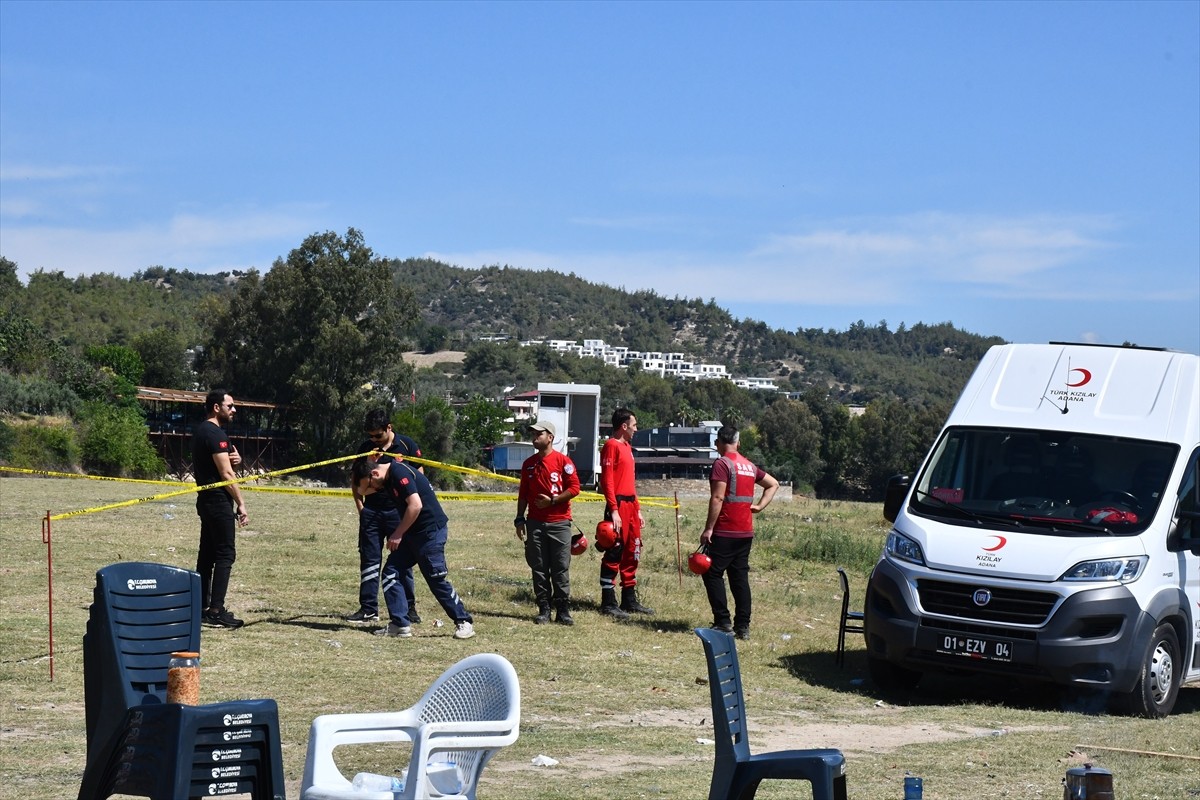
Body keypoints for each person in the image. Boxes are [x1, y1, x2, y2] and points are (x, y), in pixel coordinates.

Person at [351, 458, 475, 640]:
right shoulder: (386, 478)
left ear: (374, 474)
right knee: (391, 573)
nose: (376, 491)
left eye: (373, 488)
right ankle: (399, 624)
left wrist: (398, 533)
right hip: (412, 533)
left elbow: (416, 505)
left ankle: (464, 622)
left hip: (429, 532)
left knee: (435, 577)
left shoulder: (399, 473)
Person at [699, 424, 779, 641]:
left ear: (719, 443)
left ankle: (722, 622)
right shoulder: (749, 466)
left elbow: (717, 498)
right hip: (745, 531)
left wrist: (708, 529)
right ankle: (742, 627)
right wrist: (760, 506)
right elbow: (773, 484)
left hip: (725, 529)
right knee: (739, 577)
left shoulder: (722, 464)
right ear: (738, 443)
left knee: (712, 572)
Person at [345, 409, 423, 625]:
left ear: (389, 428)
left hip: (398, 513)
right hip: (372, 513)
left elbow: (420, 476)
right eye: (370, 436)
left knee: (402, 561)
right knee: (369, 560)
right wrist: (361, 508)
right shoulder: (365, 449)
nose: (373, 440)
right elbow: (355, 481)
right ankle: (368, 608)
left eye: (378, 435)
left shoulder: (407, 445)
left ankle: (409, 608)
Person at [515, 420, 581, 626]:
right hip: (535, 523)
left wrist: (552, 501)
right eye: (533, 434)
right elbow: (523, 494)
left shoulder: (563, 462)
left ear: (550, 437)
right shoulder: (529, 464)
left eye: (539, 434)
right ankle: (544, 608)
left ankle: (563, 610)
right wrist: (519, 518)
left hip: (559, 523)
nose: (534, 437)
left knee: (560, 567)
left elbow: (575, 488)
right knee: (539, 567)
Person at [192, 390, 249, 629]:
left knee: (206, 555)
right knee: (226, 555)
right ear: (217, 407)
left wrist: (235, 460)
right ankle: (216, 611)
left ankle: (201, 607)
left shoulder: (201, 431)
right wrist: (241, 503)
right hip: (218, 502)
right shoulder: (215, 433)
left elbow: (222, 464)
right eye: (230, 405)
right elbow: (226, 474)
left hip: (205, 500)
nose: (234, 409)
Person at [598, 407, 653, 618]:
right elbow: (608, 480)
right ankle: (608, 602)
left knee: (632, 550)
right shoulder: (611, 446)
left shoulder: (628, 447)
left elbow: (630, 482)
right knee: (615, 550)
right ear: (623, 426)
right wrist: (613, 509)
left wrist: (637, 510)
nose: (636, 429)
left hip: (630, 505)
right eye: (634, 425)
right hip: (618, 505)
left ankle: (629, 600)